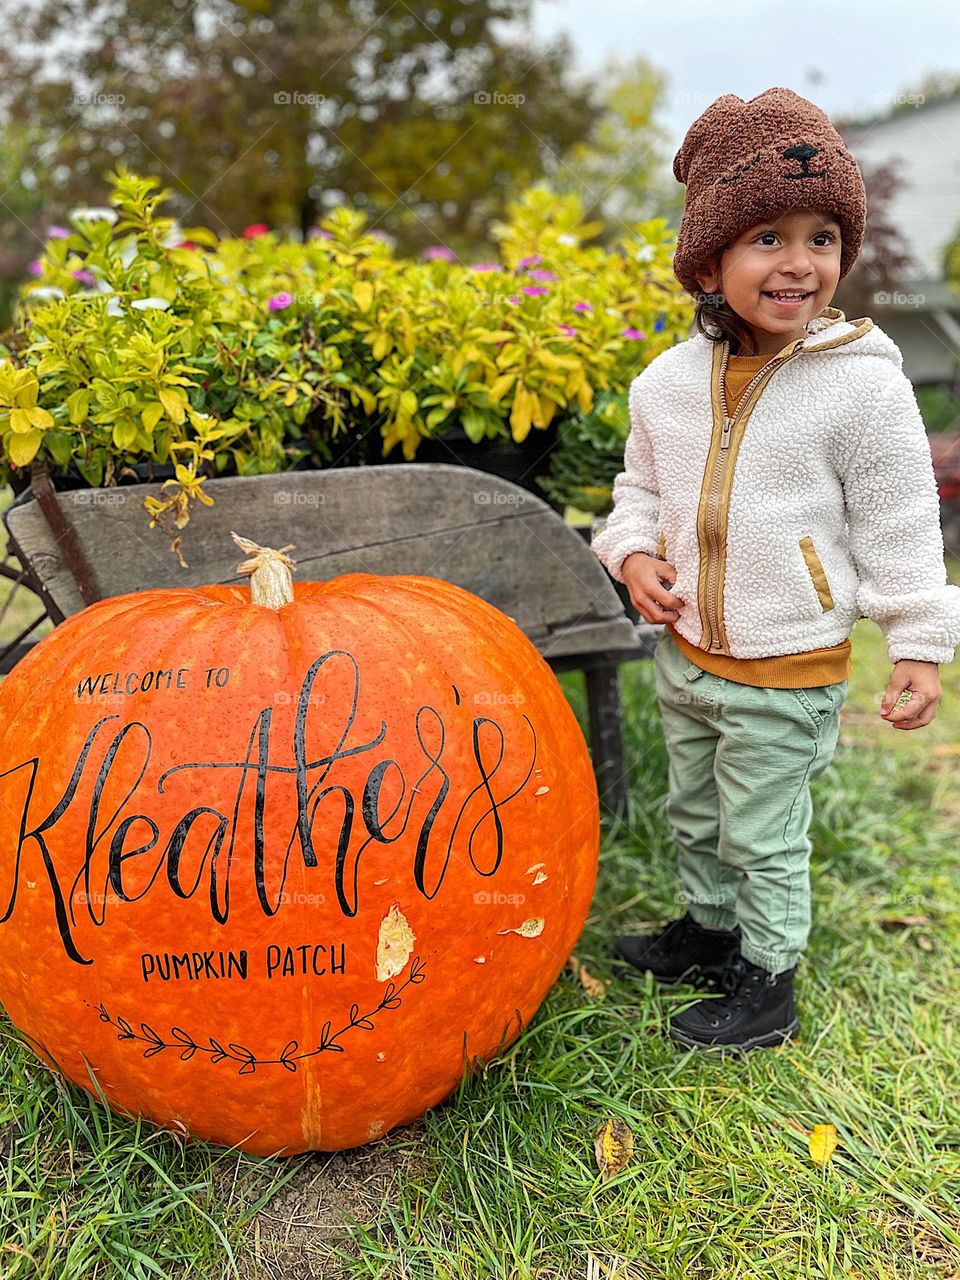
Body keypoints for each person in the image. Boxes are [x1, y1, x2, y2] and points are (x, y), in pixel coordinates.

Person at [590, 87, 960, 1054]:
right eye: (768, 238)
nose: (801, 263)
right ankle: (710, 933)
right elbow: (637, 492)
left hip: (789, 666)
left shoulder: (865, 388)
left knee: (763, 832)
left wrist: (918, 642)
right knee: (698, 812)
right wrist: (630, 553)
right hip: (690, 652)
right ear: (709, 260)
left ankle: (769, 979)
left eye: (823, 237)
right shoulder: (666, 384)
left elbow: (901, 521)